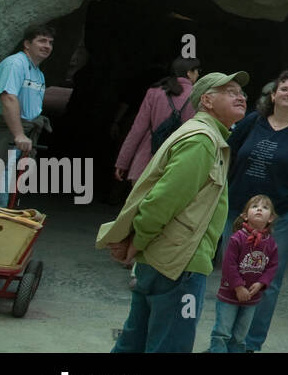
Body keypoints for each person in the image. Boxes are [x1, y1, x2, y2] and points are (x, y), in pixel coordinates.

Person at [96, 71, 249, 353]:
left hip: (166, 259)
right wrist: (138, 242)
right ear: (207, 101)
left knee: (134, 341)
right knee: (170, 345)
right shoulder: (203, 141)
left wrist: (141, 245)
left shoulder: (206, 136)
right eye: (230, 91)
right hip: (179, 264)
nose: (240, 96)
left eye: (242, 92)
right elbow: (162, 201)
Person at [225, 69, 288, 352]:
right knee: (231, 276)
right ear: (273, 94)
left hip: (282, 216)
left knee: (265, 281)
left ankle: (250, 344)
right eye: (284, 88)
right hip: (238, 213)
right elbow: (227, 153)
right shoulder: (253, 122)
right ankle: (224, 341)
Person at [0, 25, 54, 207]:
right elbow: (8, 97)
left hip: (17, 140)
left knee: (7, 195)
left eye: (50, 42)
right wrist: (19, 134)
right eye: (42, 40)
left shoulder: (37, 72)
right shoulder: (15, 64)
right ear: (27, 44)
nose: (47, 46)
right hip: (3, 138)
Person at [115, 57, 202, 185]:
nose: (199, 74)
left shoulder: (154, 92)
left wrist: (123, 162)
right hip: (178, 164)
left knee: (140, 204)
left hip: (146, 163)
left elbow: (137, 130)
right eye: (197, 71)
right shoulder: (200, 97)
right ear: (189, 72)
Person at [210, 194, 279, 353]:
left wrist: (262, 282)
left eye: (265, 207)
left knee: (240, 337)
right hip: (229, 295)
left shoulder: (270, 243)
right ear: (244, 215)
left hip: (252, 298)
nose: (259, 209)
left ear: (271, 218)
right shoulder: (237, 238)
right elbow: (229, 265)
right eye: (254, 206)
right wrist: (238, 287)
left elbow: (272, 266)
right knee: (222, 333)